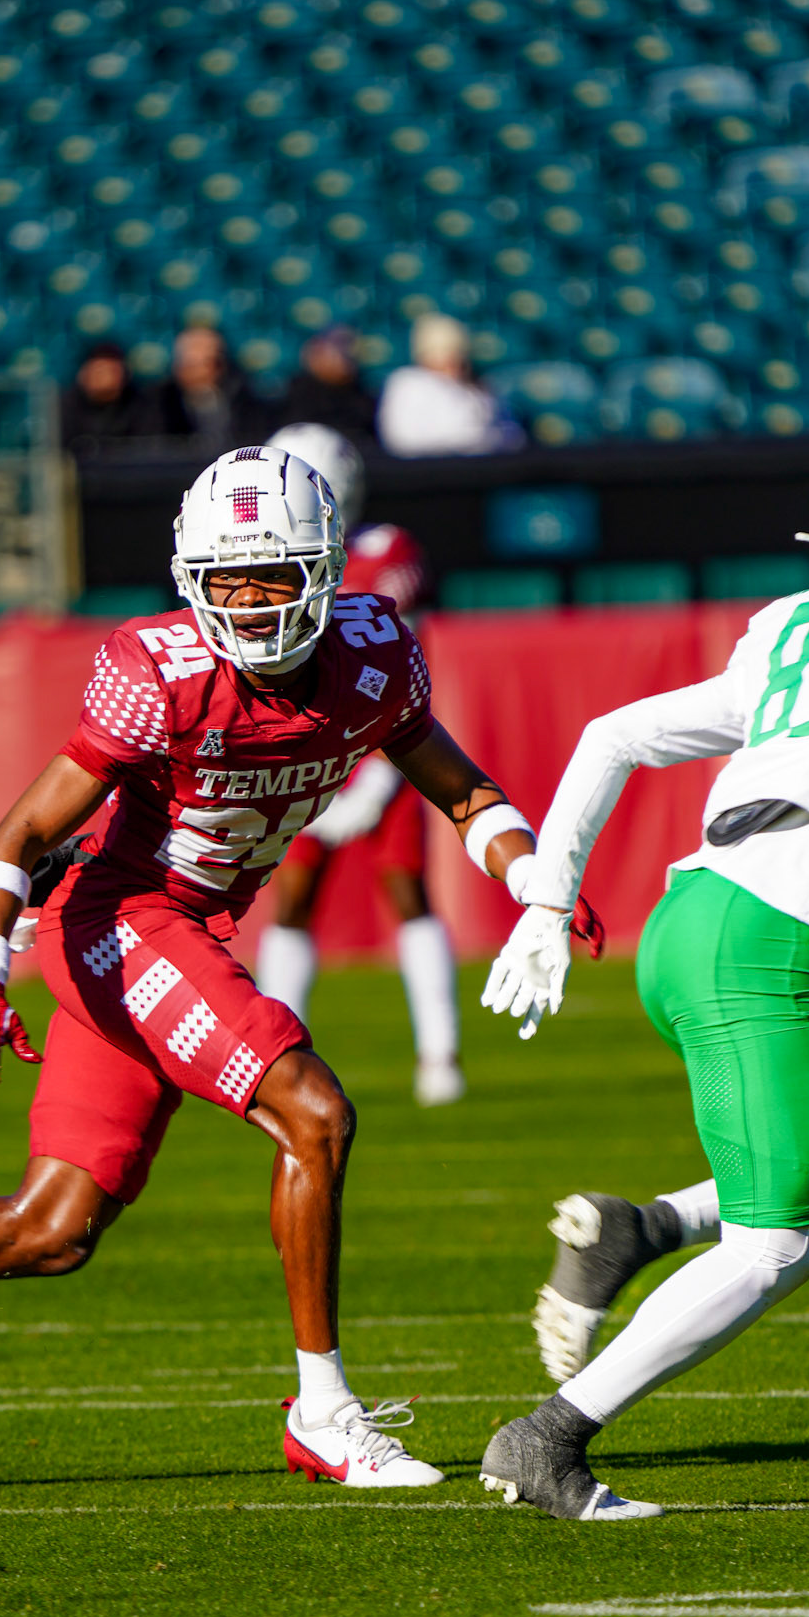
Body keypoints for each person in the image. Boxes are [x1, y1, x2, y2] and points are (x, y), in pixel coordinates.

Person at [0, 444, 545, 1489]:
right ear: (192, 580)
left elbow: (461, 789)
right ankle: (325, 1410)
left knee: (50, 1230)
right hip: (124, 921)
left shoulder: (375, 657)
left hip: (173, 934)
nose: (254, 604)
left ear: (324, 572)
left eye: (273, 577)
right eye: (229, 582)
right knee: (313, 1111)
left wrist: (535, 879)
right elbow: (25, 829)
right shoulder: (158, 673)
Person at [476, 419, 809, 1522]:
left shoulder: (794, 622)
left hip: (686, 921)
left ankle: (640, 1228)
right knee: (775, 1249)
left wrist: (547, 900)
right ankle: (548, 1438)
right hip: (757, 950)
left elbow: (610, 731)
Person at [255, 423, 464, 1106]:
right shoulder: (271, 560)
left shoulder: (384, 551)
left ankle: (440, 1055)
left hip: (380, 740)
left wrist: (376, 770)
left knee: (405, 889)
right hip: (304, 749)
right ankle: (269, 1052)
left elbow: (400, 661)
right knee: (292, 899)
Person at [376, 314, 518, 460]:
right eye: (442, 352)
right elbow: (400, 439)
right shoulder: (407, 383)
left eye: (456, 352)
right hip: (428, 472)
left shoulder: (479, 388)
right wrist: (469, 439)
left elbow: (511, 436)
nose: (451, 360)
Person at [150, 325, 264, 449]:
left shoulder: (242, 398)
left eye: (214, 362)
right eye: (195, 364)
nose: (206, 371)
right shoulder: (161, 403)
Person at [279, 328, 378, 445]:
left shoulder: (363, 397)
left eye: (347, 351)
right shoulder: (297, 393)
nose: (344, 358)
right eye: (336, 350)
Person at [59, 339, 151, 453]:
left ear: (124, 374)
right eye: (99, 371)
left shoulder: (140, 404)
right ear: (84, 374)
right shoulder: (65, 406)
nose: (105, 378)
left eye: (111, 371)